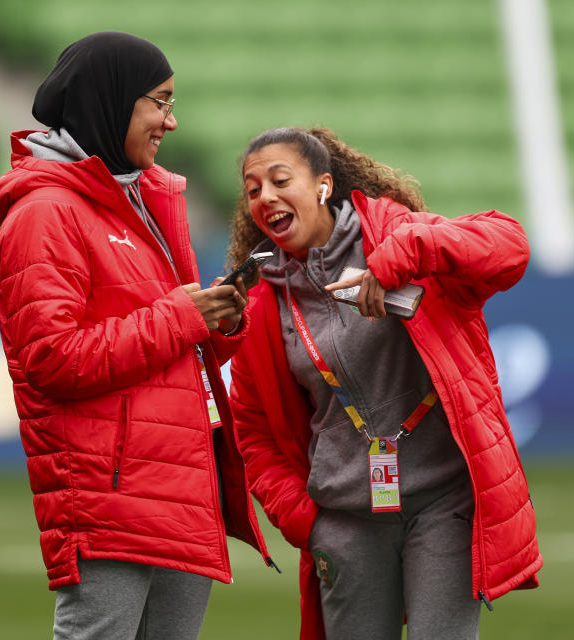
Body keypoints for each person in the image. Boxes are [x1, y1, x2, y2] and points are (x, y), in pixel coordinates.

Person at [0, 32, 271, 640]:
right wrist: (182, 316)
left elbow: (171, 341)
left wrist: (216, 318)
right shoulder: (45, 212)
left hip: (178, 482)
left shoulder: (145, 199)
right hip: (111, 492)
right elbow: (52, 359)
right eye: (159, 102)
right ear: (112, 102)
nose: (171, 120)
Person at [226, 127, 542, 640]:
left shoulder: (395, 233)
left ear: (324, 186)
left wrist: (399, 257)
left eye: (280, 180)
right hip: (346, 521)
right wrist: (306, 521)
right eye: (253, 188)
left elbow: (509, 245)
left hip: (444, 502)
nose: (265, 196)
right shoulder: (264, 305)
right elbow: (253, 433)